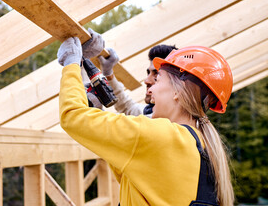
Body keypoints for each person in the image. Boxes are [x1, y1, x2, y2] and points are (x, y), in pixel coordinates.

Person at [58, 37, 234, 206]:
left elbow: (72, 116)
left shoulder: (159, 135)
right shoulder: (201, 143)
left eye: (157, 80)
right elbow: (134, 174)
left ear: (178, 92)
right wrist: (96, 113)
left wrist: (71, 63)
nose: (151, 89)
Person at [97, 45, 177, 117]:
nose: (146, 80)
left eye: (157, 75)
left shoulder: (166, 124)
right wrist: (109, 74)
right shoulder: (149, 112)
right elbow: (127, 107)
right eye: (148, 73)